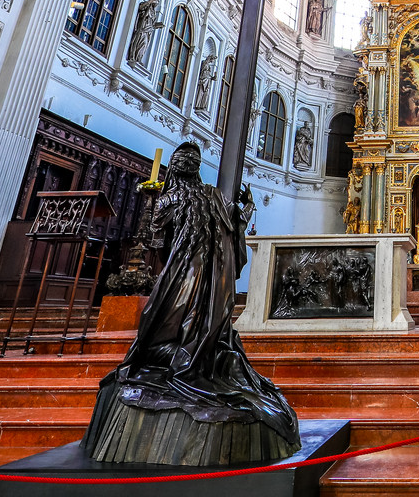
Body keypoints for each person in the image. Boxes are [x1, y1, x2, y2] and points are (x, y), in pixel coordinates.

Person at [84, 141, 298, 463]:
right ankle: (191, 356)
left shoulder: (172, 197)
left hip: (185, 270)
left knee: (163, 319)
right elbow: (234, 225)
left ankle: (176, 358)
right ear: (196, 169)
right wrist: (247, 210)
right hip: (214, 276)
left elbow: (157, 234)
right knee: (196, 319)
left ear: (175, 169)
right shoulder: (212, 195)